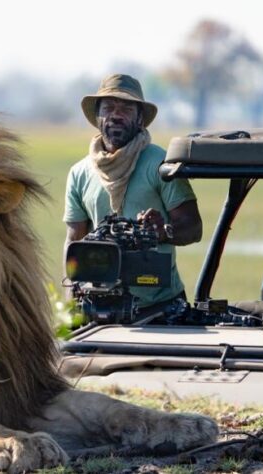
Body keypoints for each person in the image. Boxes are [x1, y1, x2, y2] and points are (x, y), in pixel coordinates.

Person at [64, 73, 202, 315]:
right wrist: (69, 305)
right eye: (109, 107)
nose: (116, 114)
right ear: (98, 117)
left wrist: (162, 233)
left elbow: (193, 228)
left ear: (140, 120)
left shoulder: (161, 164)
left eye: (126, 108)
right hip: (98, 307)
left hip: (159, 307)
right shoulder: (79, 173)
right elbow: (75, 241)